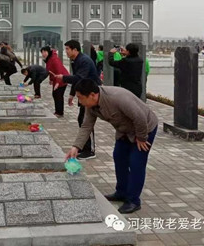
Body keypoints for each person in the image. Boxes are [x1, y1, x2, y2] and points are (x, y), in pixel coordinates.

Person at [66, 78, 158, 214]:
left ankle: (133, 200)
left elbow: (140, 117)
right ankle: (121, 192)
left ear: (92, 94)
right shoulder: (91, 106)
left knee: (136, 162)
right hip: (124, 130)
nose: (80, 101)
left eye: (80, 98)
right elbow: (86, 126)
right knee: (119, 157)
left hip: (144, 128)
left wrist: (142, 137)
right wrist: (76, 147)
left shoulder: (118, 98)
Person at [53, 39, 100, 160]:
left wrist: (63, 77)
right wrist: (72, 94)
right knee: (82, 119)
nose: (66, 51)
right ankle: (85, 147)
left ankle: (90, 150)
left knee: (87, 120)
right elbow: (77, 79)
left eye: (67, 49)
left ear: (75, 49)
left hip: (91, 94)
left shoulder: (84, 61)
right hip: (83, 93)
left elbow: (79, 77)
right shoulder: (76, 60)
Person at [42, 46, 69, 116]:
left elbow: (59, 71)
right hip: (57, 79)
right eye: (42, 52)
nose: (43, 54)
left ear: (48, 51)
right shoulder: (49, 59)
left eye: (44, 52)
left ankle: (59, 112)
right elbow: (50, 71)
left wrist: (57, 83)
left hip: (62, 79)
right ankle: (58, 111)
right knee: (55, 94)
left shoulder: (54, 59)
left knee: (58, 95)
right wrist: (51, 79)